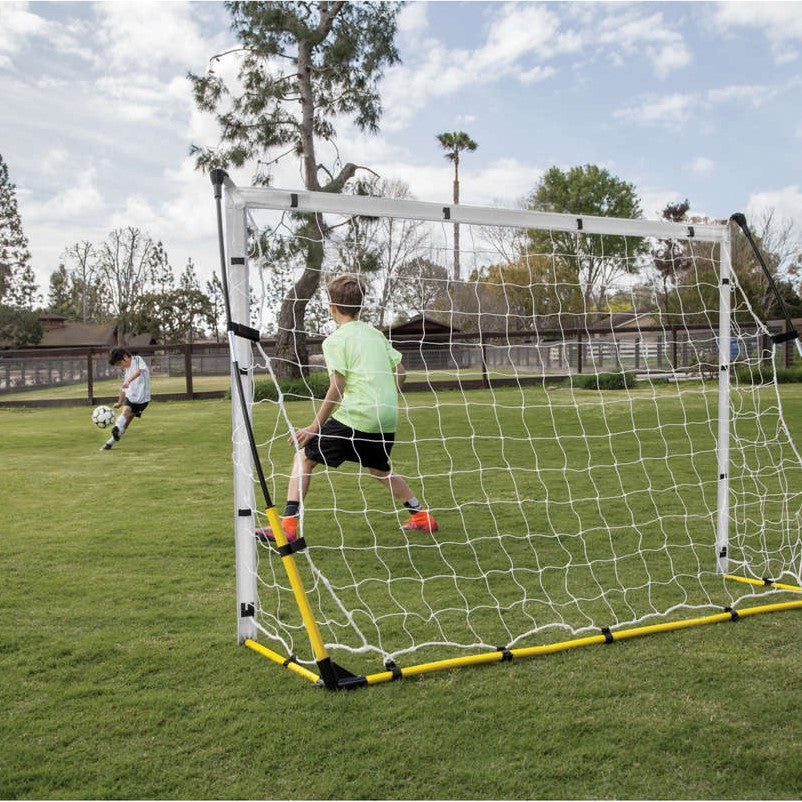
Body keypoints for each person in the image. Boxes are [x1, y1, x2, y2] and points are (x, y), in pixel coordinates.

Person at [257, 273, 438, 543]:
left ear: (332, 307)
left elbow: (337, 387)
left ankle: (288, 527)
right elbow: (400, 371)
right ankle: (421, 517)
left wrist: (314, 426)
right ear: (360, 306)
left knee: (304, 458)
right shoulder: (375, 335)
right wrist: (387, 394)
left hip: (357, 416)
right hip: (385, 417)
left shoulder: (335, 341)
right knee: (380, 470)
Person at [100, 347, 151, 451]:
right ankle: (114, 433)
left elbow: (138, 372)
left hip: (142, 400)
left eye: (119, 364)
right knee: (125, 411)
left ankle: (112, 440)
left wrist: (128, 381)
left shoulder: (137, 359)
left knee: (126, 423)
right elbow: (123, 388)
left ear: (125, 357)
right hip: (130, 397)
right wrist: (119, 402)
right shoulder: (125, 371)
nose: (120, 367)